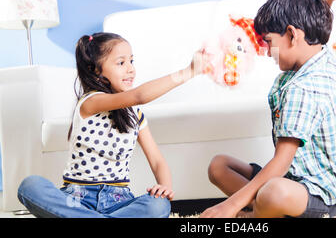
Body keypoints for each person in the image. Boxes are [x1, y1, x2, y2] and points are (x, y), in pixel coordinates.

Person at [201, 0, 336, 218]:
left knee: (273, 192)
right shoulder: (321, 57)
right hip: (295, 178)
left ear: (292, 34)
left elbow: (282, 161)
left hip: (327, 198)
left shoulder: (305, 87)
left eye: (268, 41)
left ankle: (255, 214)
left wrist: (229, 206)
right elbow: (310, 29)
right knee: (219, 166)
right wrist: (324, 0)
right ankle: (265, 209)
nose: (265, 51)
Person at [17, 32, 207, 218]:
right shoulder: (90, 102)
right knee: (30, 186)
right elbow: (139, 96)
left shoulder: (136, 116)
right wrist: (188, 72)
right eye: (121, 63)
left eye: (132, 61)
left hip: (119, 203)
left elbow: (157, 160)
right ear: (96, 70)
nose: (130, 69)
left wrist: (165, 188)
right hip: (76, 200)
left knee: (158, 205)